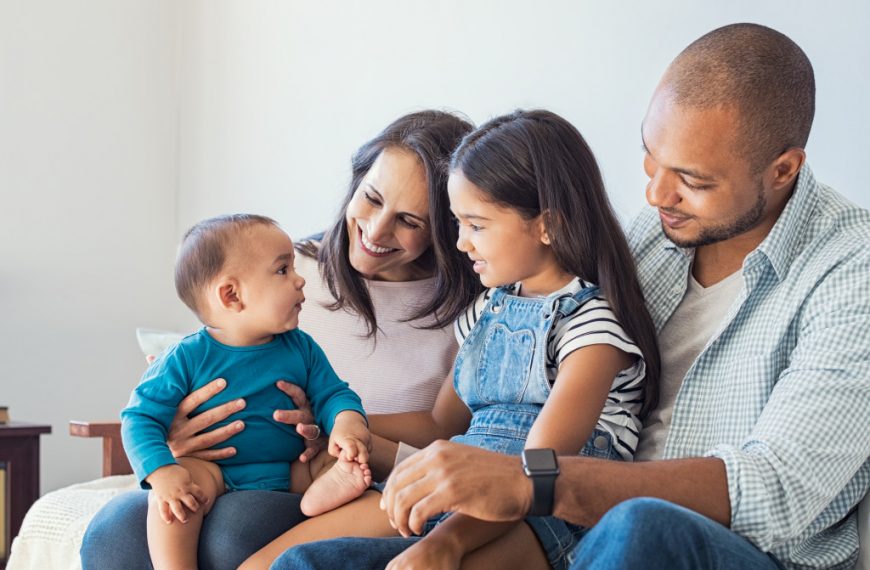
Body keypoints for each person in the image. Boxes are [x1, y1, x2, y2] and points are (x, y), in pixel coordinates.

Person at [273, 23, 870, 570]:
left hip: (709, 546)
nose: (657, 194)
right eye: (651, 157)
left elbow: (777, 490)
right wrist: (339, 422)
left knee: (640, 528)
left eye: (693, 179)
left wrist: (535, 482)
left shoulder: (850, 271)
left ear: (784, 170)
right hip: (569, 523)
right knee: (305, 565)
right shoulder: (650, 239)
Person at [239, 109, 661, 570]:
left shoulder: (591, 330)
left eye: (476, 226)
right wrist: (339, 419)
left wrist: (444, 545)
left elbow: (538, 474)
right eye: (458, 224)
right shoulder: (487, 310)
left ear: (548, 226)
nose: (460, 244)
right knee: (273, 564)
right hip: (455, 481)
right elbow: (442, 422)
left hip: (538, 515)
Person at [80, 110, 482, 570]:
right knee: (114, 530)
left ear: (448, 227)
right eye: (370, 198)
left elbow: (452, 432)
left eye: (409, 220)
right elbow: (168, 394)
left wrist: (340, 425)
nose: (375, 231)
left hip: (336, 470)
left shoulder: (472, 310)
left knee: (234, 531)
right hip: (221, 463)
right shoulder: (284, 270)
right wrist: (172, 442)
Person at [122, 214, 374, 569]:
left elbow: (334, 394)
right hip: (216, 471)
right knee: (177, 499)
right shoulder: (186, 357)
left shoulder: (301, 347)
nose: (300, 279)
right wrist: (162, 473)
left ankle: (321, 495)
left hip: (291, 468)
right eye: (283, 270)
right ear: (232, 294)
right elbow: (139, 418)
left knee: (337, 461)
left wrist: (348, 426)